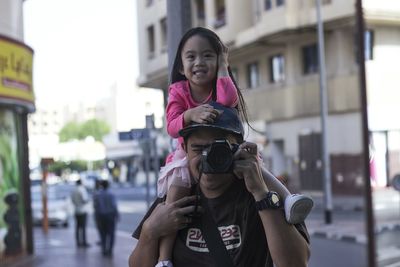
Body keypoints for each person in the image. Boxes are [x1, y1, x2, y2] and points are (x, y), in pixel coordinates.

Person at [156, 26, 313, 264]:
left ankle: (289, 199)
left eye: (208, 56)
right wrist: (150, 230)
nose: (199, 62)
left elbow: (228, 100)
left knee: (259, 168)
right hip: (181, 155)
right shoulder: (178, 91)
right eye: (191, 57)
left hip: (252, 185)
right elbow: (172, 126)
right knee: (173, 199)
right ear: (181, 67)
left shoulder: (221, 84)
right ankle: (164, 258)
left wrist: (223, 67)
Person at [129, 102, 310, 267]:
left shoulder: (263, 195)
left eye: (217, 148)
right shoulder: (175, 197)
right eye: (198, 149)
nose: (208, 157)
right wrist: (149, 231)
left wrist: (261, 194)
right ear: (185, 151)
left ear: (239, 147)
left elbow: (296, 263)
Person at [93, 180, 119, 257]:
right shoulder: (111, 194)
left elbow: (95, 206)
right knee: (111, 234)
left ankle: (104, 249)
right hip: (110, 215)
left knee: (102, 233)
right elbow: (114, 206)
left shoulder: (97, 194)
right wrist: (117, 215)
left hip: (100, 216)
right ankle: (110, 250)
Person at [70, 179, 90, 248]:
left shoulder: (74, 190)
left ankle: (78, 242)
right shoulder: (82, 190)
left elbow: (72, 200)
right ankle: (84, 242)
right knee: (83, 227)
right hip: (83, 210)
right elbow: (85, 200)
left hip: (76, 210)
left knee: (77, 227)